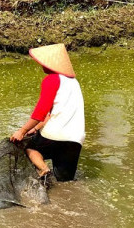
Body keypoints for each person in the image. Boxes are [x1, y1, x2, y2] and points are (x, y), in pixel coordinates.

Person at [10, 44, 85, 182]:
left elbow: (41, 111)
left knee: (30, 149)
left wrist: (22, 131)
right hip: (75, 138)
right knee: (65, 181)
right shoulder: (74, 82)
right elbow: (51, 114)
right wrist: (35, 128)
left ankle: (44, 169)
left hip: (54, 134)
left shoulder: (51, 80)